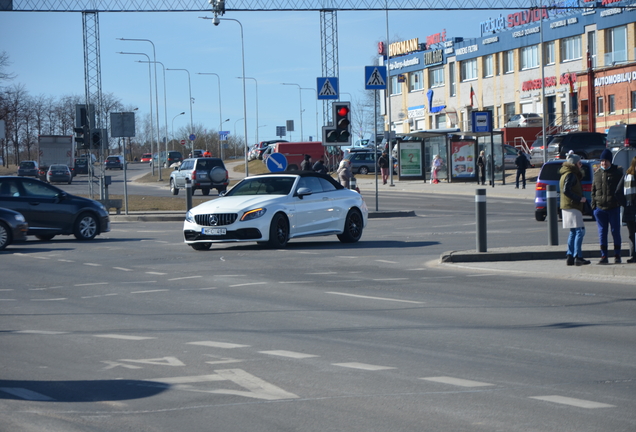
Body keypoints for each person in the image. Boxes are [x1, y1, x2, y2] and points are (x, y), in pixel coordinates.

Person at [592, 149, 623, 264]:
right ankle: (604, 256)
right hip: (600, 209)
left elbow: (621, 190)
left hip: (613, 207)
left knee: (615, 231)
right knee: (602, 232)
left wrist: (619, 202)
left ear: (610, 161)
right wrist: (594, 205)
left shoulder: (617, 173)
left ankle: (617, 255)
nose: (604, 163)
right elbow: (593, 190)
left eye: (606, 161)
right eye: (602, 161)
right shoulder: (597, 174)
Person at [559, 153, 591, 266]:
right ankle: (578, 256)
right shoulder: (571, 174)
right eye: (579, 163)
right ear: (574, 164)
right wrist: (579, 199)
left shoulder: (565, 173)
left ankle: (570, 256)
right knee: (580, 231)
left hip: (567, 206)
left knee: (573, 231)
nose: (581, 165)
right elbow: (566, 190)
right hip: (573, 206)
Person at [617, 156, 636, 263]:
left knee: (633, 234)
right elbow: (618, 192)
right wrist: (626, 204)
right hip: (631, 210)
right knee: (632, 234)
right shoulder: (627, 176)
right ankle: (634, 255)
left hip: (630, 209)